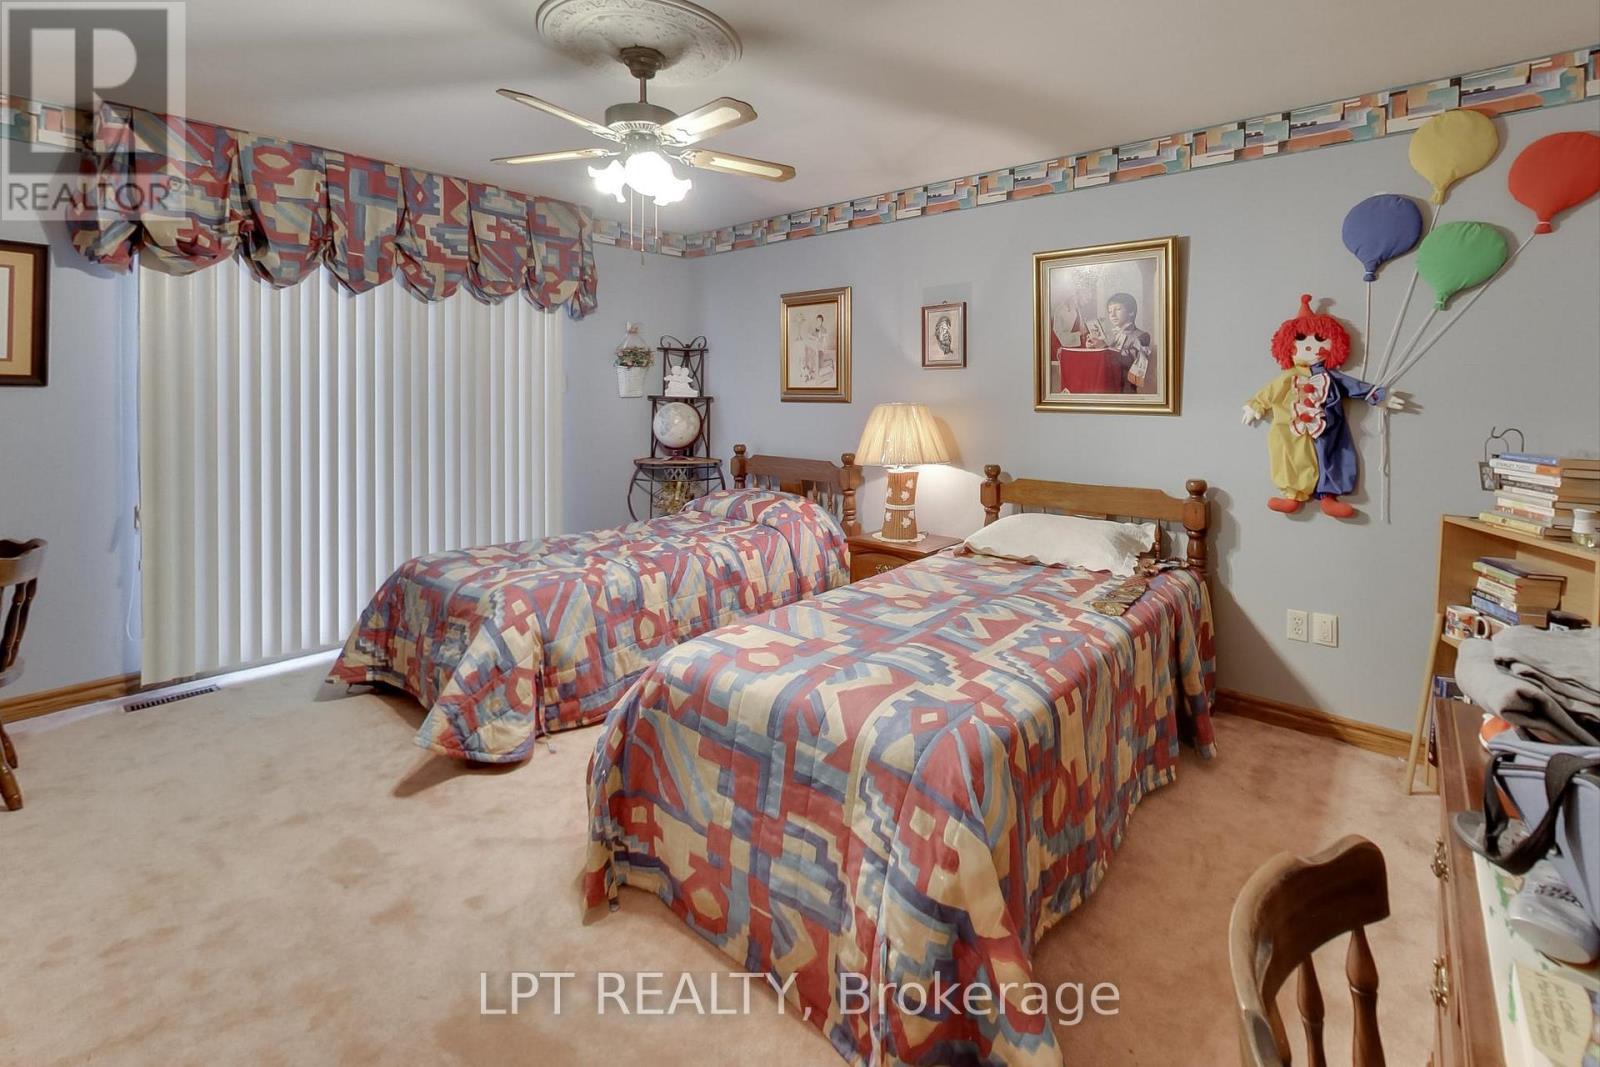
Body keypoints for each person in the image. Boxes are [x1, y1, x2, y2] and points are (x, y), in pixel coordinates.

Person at [1087, 292, 1153, 393]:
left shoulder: (1141, 336)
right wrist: (1093, 347)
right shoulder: (1109, 336)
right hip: (1105, 385)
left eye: (1118, 309)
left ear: (1131, 312)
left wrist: (1104, 347)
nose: (1112, 315)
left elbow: (1132, 364)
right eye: (1109, 311)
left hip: (1125, 389)